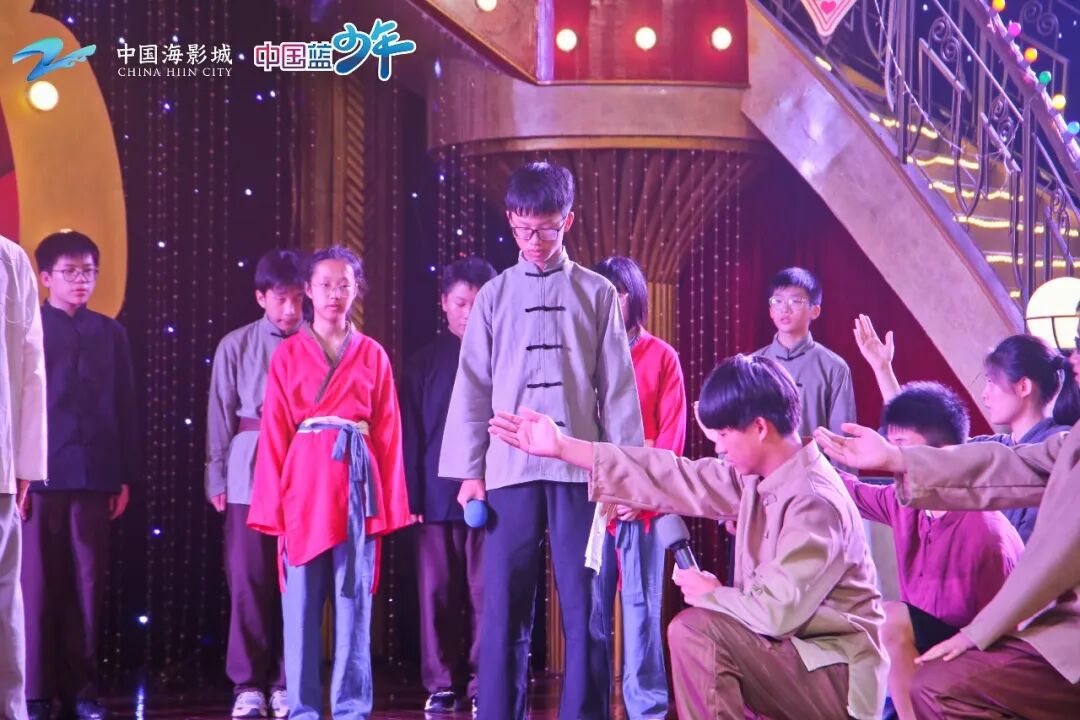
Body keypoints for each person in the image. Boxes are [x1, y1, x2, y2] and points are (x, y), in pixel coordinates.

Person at [490, 355, 888, 720]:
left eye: (723, 435)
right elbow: (671, 475)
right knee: (699, 631)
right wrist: (562, 447)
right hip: (794, 656)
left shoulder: (814, 500)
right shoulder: (757, 479)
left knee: (698, 632)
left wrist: (711, 593)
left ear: (759, 427)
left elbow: (776, 612)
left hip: (837, 678)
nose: (718, 448)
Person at [440, 162, 644, 720]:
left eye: (547, 229)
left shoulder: (597, 293)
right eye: (524, 229)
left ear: (568, 220)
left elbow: (618, 391)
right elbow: (472, 387)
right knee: (503, 608)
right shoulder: (493, 296)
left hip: (580, 472)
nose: (534, 241)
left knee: (586, 608)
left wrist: (624, 477)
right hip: (508, 471)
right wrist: (471, 474)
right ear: (511, 219)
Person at [813, 331, 1080, 720]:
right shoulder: (1018, 449)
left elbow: (1045, 561)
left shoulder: (989, 530)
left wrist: (975, 633)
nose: (1073, 358)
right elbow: (946, 454)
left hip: (1020, 615)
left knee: (932, 679)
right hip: (1009, 616)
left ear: (1023, 387)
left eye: (993, 382)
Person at [248, 246, 413, 720]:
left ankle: (351, 708)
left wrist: (390, 505)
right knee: (299, 606)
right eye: (324, 285)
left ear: (357, 290)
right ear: (308, 290)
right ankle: (302, 709)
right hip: (303, 490)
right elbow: (274, 433)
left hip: (357, 487)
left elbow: (388, 434)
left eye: (344, 285)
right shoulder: (287, 355)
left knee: (354, 604)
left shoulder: (373, 354)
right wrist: (272, 507)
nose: (334, 294)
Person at [840, 382, 1022, 720]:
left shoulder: (988, 537)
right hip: (925, 665)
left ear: (945, 454)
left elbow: (1005, 644)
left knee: (890, 618)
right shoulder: (905, 502)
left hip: (978, 669)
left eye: (901, 448)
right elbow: (850, 491)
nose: (889, 459)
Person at [23, 231, 138, 720]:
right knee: (36, 590)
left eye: (88, 271)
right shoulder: (26, 331)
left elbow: (125, 407)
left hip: (94, 478)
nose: (80, 281)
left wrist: (124, 476)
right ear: (45, 277)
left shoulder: (111, 333)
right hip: (38, 480)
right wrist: (16, 476)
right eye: (69, 272)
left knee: (87, 589)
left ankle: (83, 692)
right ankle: (33, 693)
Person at [854, 316, 1079, 541]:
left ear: (1023, 386)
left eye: (992, 382)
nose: (985, 394)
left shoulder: (1062, 451)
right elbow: (927, 447)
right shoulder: (995, 446)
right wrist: (882, 368)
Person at [205, 249, 305, 718]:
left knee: (299, 581)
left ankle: (288, 681)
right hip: (248, 470)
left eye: (297, 299)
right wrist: (216, 474)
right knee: (249, 579)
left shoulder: (321, 342)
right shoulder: (236, 344)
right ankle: (247, 684)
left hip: (305, 471)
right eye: (281, 299)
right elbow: (219, 411)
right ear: (261, 297)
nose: (290, 309)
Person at [590, 256, 685, 720]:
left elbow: (671, 435)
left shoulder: (662, 356)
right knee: (588, 607)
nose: (611, 302)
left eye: (619, 293)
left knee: (642, 606)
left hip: (642, 502)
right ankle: (589, 703)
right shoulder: (582, 355)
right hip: (592, 500)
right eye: (602, 293)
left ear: (636, 298)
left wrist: (642, 493)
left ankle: (646, 707)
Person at [400, 256, 496, 715]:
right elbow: (411, 434)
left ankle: (483, 682)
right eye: (460, 303)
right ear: (443, 303)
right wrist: (412, 495)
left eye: (478, 303)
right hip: (435, 498)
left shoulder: (506, 359)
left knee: (486, 594)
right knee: (436, 594)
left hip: (494, 495)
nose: (468, 313)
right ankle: (440, 682)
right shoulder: (422, 364)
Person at [0, 235, 47, 720]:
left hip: (0, 466)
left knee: (3, 605)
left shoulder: (10, 259)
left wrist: (26, 464)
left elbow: (31, 365)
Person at [754, 267, 855, 438]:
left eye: (795, 301)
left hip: (813, 456)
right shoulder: (752, 366)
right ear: (770, 311)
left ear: (815, 311)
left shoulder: (834, 367)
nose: (784, 309)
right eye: (777, 301)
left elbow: (843, 438)